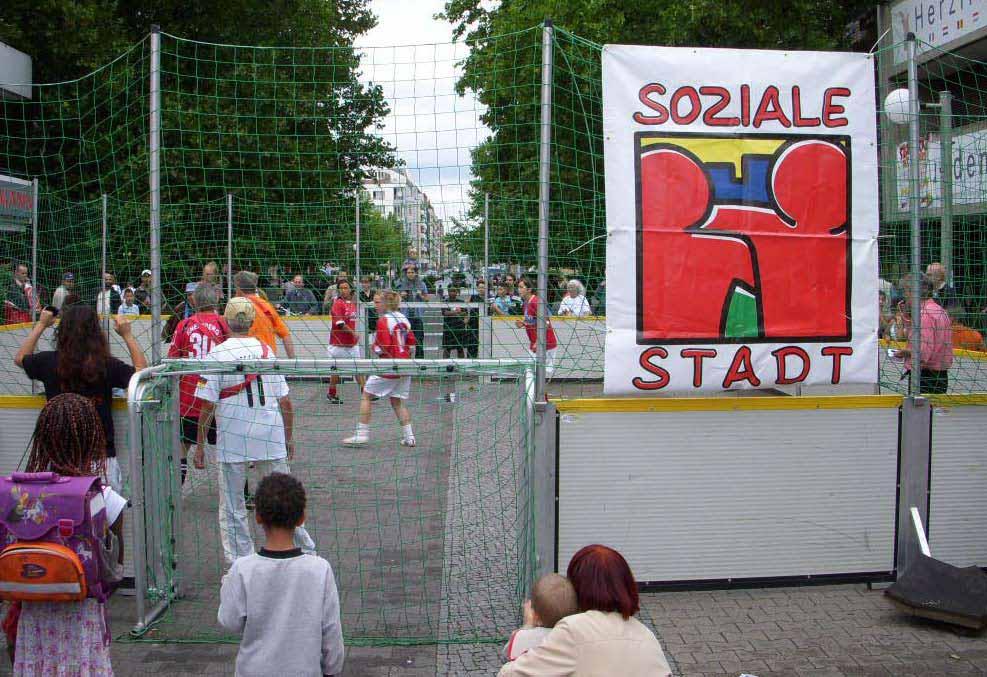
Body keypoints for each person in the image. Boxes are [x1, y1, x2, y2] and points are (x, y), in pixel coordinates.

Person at [10, 394, 126, 677]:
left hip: (33, 611)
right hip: (81, 614)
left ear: (42, 439)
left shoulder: (18, 494)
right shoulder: (104, 497)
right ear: (92, 441)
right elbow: (113, 567)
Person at [193, 297, 314, 564]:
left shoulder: (217, 354)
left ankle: (240, 561)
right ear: (251, 321)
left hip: (233, 438)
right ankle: (304, 551)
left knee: (233, 505)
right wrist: (288, 437)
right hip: (269, 433)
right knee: (285, 496)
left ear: (225, 320)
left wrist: (200, 444)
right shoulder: (266, 350)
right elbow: (285, 400)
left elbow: (206, 405)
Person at [218, 472, 344, 677]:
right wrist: (332, 669)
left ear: (258, 517)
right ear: (301, 518)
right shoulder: (320, 569)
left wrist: (227, 587)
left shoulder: (242, 569)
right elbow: (332, 632)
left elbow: (229, 621)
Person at [14, 305, 147, 490]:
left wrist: (42, 324)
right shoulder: (105, 365)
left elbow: (20, 358)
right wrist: (127, 335)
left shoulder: (48, 362)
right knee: (106, 515)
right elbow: (141, 373)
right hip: (100, 459)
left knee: (66, 515)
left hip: (61, 459)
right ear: (96, 334)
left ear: (62, 332)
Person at [498, 544, 672, 676]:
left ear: (577, 588)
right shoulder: (646, 635)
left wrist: (528, 628)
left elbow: (511, 674)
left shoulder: (574, 629)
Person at [167, 283, 229, 490]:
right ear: (216, 300)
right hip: (218, 398)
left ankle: (175, 490)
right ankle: (240, 492)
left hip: (189, 397)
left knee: (183, 445)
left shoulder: (184, 325)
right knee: (226, 446)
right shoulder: (223, 324)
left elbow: (173, 359)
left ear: (194, 301)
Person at [342, 291, 416, 447]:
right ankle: (409, 437)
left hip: (389, 365)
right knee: (397, 401)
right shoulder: (404, 319)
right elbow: (411, 342)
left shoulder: (384, 321)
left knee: (366, 395)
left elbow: (383, 346)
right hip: (405, 365)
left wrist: (374, 347)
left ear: (386, 303)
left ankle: (361, 434)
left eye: (377, 302)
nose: (375, 306)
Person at [894, 273, 953, 394]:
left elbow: (922, 353)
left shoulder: (924, 315)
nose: (904, 296)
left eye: (906, 291)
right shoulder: (939, 310)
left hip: (926, 377)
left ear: (913, 292)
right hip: (940, 375)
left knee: (921, 411)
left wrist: (904, 353)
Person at [502, 573, 578, 662]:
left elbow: (507, 654)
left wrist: (527, 625)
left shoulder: (523, 638)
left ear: (536, 617)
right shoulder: (576, 638)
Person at [234, 270, 296, 358]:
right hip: (267, 359)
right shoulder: (267, 307)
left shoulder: (235, 306)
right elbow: (285, 335)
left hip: (244, 359)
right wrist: (292, 361)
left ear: (238, 287)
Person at [326, 278, 364, 404]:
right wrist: (354, 333)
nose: (343, 290)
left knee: (358, 368)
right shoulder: (338, 304)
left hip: (351, 344)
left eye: (345, 287)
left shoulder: (351, 304)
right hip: (338, 344)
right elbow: (340, 323)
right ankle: (332, 393)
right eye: (341, 288)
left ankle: (365, 393)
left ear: (351, 289)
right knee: (336, 370)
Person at [516, 277, 559, 378]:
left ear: (529, 289)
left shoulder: (536, 302)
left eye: (521, 287)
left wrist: (538, 342)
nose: (518, 290)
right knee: (532, 374)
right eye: (518, 287)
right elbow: (535, 321)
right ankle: (539, 393)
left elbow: (545, 323)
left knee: (535, 375)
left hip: (546, 344)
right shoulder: (526, 303)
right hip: (535, 344)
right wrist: (524, 323)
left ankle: (540, 393)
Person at [394, 264, 429, 358]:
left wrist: (420, 295)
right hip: (405, 317)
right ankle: (405, 360)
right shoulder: (400, 285)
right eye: (408, 272)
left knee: (419, 341)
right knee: (403, 341)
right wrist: (401, 296)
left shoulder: (422, 284)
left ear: (416, 273)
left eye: (412, 272)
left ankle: (420, 361)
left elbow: (427, 299)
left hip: (418, 316)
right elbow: (395, 300)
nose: (410, 274)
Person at [441, 286, 468, 359]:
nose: (452, 293)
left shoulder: (461, 302)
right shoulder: (445, 302)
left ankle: (462, 364)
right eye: (451, 291)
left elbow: (465, 313)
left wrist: (465, 321)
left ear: (457, 293)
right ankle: (445, 364)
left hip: (459, 327)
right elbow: (445, 313)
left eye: (454, 291)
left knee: (460, 348)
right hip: (448, 328)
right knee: (447, 349)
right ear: (448, 292)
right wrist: (457, 312)